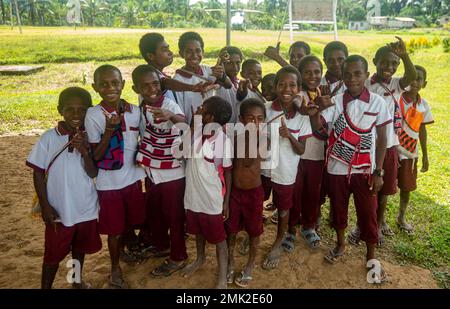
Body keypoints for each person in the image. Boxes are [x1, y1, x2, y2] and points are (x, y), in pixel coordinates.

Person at [307, 55, 391, 283]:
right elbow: (319, 130)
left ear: (366, 75)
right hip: (337, 168)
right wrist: (315, 111)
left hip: (365, 171)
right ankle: (341, 243)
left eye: (357, 73)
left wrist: (379, 171)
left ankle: (371, 256)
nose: (352, 78)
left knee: (368, 212)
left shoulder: (377, 102)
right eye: (347, 74)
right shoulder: (335, 102)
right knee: (339, 208)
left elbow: (383, 137)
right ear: (342, 77)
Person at [26, 87, 101, 289]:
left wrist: (84, 151)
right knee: (52, 254)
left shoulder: (91, 138)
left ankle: (76, 281)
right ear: (60, 110)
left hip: (85, 207)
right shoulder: (49, 138)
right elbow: (38, 173)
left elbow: (93, 173)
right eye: (70, 109)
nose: (76, 115)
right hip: (59, 210)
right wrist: (45, 206)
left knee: (79, 248)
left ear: (89, 111)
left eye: (82, 109)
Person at [347, 37, 417, 246]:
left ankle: (377, 224)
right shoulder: (365, 83)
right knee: (366, 189)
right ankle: (361, 225)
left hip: (389, 145)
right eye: (385, 62)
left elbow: (412, 76)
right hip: (366, 145)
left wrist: (404, 55)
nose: (389, 67)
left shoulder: (396, 84)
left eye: (394, 63)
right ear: (375, 61)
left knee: (384, 188)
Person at [85, 65, 146, 288]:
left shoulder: (134, 111)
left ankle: (123, 252)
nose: (110, 88)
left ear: (122, 84)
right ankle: (114, 268)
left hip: (131, 178)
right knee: (114, 230)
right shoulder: (93, 115)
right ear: (95, 87)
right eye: (104, 84)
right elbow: (96, 156)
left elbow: (140, 141)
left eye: (114, 83)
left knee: (130, 222)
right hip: (108, 183)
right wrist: (109, 130)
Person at [132, 64, 188, 277]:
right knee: (156, 212)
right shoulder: (142, 105)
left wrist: (170, 116)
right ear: (137, 89)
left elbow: (184, 125)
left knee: (174, 217)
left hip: (173, 173)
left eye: (155, 83)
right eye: (145, 86)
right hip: (152, 170)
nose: (151, 89)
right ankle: (162, 245)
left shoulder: (169, 104)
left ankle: (179, 256)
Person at [262, 66, 311, 271]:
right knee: (257, 202)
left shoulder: (303, 115)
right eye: (282, 84)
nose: (286, 89)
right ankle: (254, 235)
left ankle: (278, 241)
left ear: (299, 88)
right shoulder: (265, 108)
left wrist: (289, 135)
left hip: (286, 171)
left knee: (283, 208)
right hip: (263, 168)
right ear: (275, 86)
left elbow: (301, 150)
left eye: (292, 85)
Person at [180, 96, 233, 289]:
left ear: (209, 117)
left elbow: (227, 172)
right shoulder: (196, 132)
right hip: (193, 194)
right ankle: (200, 258)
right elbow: (182, 151)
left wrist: (225, 202)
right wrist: (194, 124)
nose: (199, 110)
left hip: (212, 198)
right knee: (198, 231)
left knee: (219, 238)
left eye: (203, 109)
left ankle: (221, 275)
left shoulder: (223, 141)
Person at [283, 55, 331, 252]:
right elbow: (297, 106)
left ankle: (309, 226)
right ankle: (291, 230)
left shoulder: (322, 92)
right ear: (300, 75)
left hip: (317, 154)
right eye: (308, 72)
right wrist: (306, 109)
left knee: (313, 192)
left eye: (317, 72)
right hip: (298, 155)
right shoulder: (299, 94)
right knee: (296, 193)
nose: (313, 76)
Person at [226, 98, 267, 287]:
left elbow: (250, 160)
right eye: (251, 119)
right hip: (234, 192)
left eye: (260, 119)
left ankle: (250, 264)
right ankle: (230, 261)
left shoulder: (263, 139)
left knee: (254, 231)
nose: (256, 123)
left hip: (254, 193)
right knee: (231, 230)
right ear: (241, 120)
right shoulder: (233, 139)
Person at [396, 65, 434, 233]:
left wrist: (425, 155)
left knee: (407, 187)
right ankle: (380, 219)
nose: (415, 81)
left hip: (411, 153)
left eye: (419, 79)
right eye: (411, 77)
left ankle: (401, 217)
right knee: (384, 187)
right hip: (392, 150)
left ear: (424, 84)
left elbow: (423, 130)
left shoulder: (423, 105)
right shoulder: (396, 99)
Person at [173, 31, 232, 123]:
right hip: (191, 126)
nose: (194, 55)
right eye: (189, 51)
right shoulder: (178, 80)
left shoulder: (207, 70)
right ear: (181, 53)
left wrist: (222, 76)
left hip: (210, 124)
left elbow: (228, 85)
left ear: (203, 52)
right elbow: (179, 109)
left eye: (198, 50)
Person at [139, 32, 213, 102]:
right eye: (164, 50)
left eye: (168, 48)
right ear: (150, 56)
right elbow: (165, 83)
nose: (170, 52)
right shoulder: (150, 77)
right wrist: (191, 87)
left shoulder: (160, 74)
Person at [214, 46, 244, 123]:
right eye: (230, 63)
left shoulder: (240, 83)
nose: (235, 67)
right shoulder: (218, 81)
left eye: (238, 63)